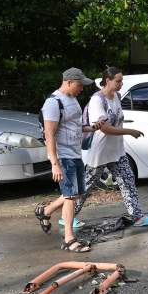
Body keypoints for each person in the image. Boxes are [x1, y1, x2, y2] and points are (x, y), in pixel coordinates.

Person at [75, 66, 148, 226]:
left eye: (122, 81)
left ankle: (137, 216)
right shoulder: (97, 100)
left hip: (117, 151)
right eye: (118, 81)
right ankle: (68, 216)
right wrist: (129, 131)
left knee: (127, 180)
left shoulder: (117, 96)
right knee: (87, 186)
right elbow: (104, 128)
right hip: (100, 152)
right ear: (107, 81)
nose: (121, 84)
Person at [35, 67, 100, 252]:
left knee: (76, 193)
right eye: (80, 85)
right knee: (71, 196)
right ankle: (69, 239)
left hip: (75, 153)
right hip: (63, 156)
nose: (82, 89)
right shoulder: (53, 103)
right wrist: (54, 164)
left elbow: (74, 126)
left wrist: (92, 128)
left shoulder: (72, 100)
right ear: (69, 82)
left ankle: (45, 211)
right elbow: (49, 134)